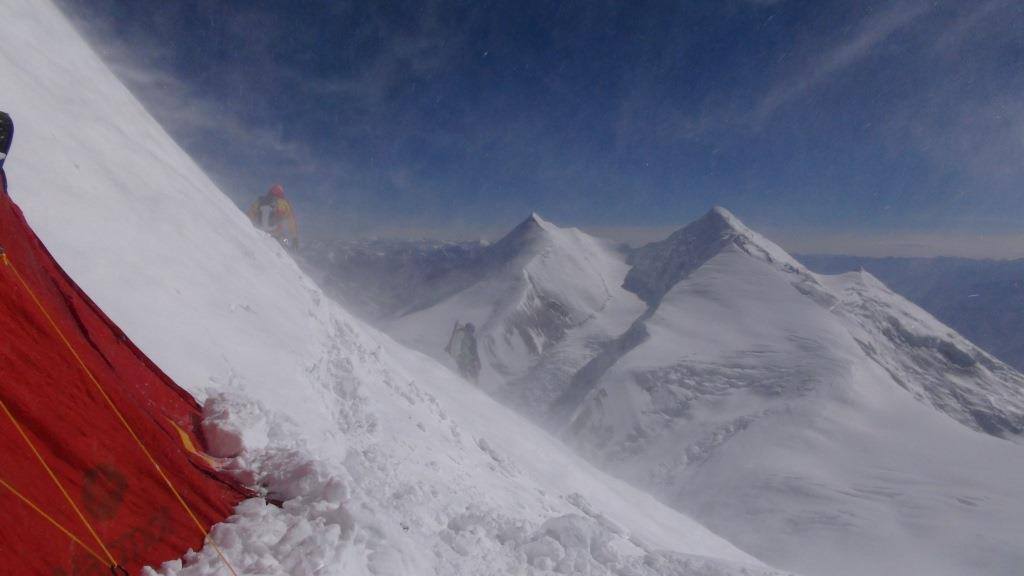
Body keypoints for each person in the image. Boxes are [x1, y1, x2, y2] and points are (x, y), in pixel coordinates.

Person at [247, 184, 298, 249]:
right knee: (286, 241)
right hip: (276, 234)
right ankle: (289, 250)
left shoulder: (259, 202)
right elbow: (291, 221)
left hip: (259, 231)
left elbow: (249, 216)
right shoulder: (283, 204)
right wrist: (294, 237)